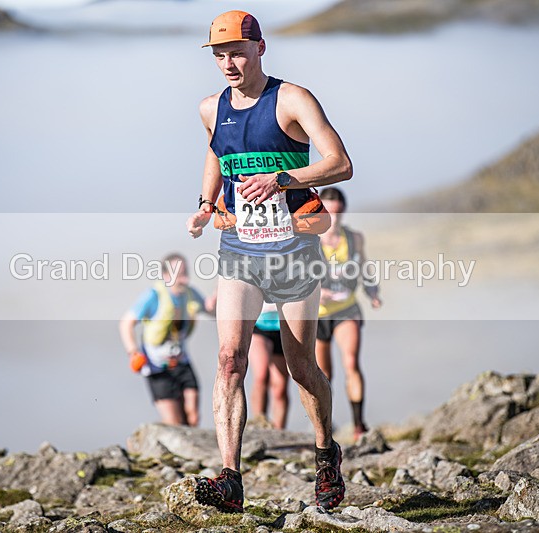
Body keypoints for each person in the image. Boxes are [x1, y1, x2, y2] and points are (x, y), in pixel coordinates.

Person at [186, 10, 353, 512]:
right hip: (239, 252)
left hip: (295, 252)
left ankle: (325, 455)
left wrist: (282, 179)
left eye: (237, 52)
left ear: (261, 48)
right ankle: (230, 480)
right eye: (220, 55)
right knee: (228, 359)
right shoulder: (210, 108)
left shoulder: (293, 99)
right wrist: (204, 205)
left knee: (301, 367)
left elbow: (340, 164)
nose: (229, 63)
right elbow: (217, 153)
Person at [315, 187, 382, 442]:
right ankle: (325, 429)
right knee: (323, 375)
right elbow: (295, 274)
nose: (333, 218)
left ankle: (358, 425)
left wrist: (373, 291)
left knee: (351, 362)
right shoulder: (310, 238)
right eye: (328, 212)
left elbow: (364, 268)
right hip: (318, 314)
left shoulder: (354, 239)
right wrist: (316, 292)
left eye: (338, 212)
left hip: (347, 308)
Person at [119, 253, 214, 427]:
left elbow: (211, 311)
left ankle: (194, 450)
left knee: (192, 416)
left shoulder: (191, 294)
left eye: (185, 272)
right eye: (178, 273)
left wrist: (219, 300)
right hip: (157, 366)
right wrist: (133, 352)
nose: (183, 278)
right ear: (166, 275)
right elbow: (126, 324)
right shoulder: (153, 296)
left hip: (182, 362)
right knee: (174, 423)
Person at [248, 303, 289, 430]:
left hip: (284, 325)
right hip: (259, 325)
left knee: (280, 388)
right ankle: (259, 422)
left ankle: (278, 433)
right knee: (261, 375)